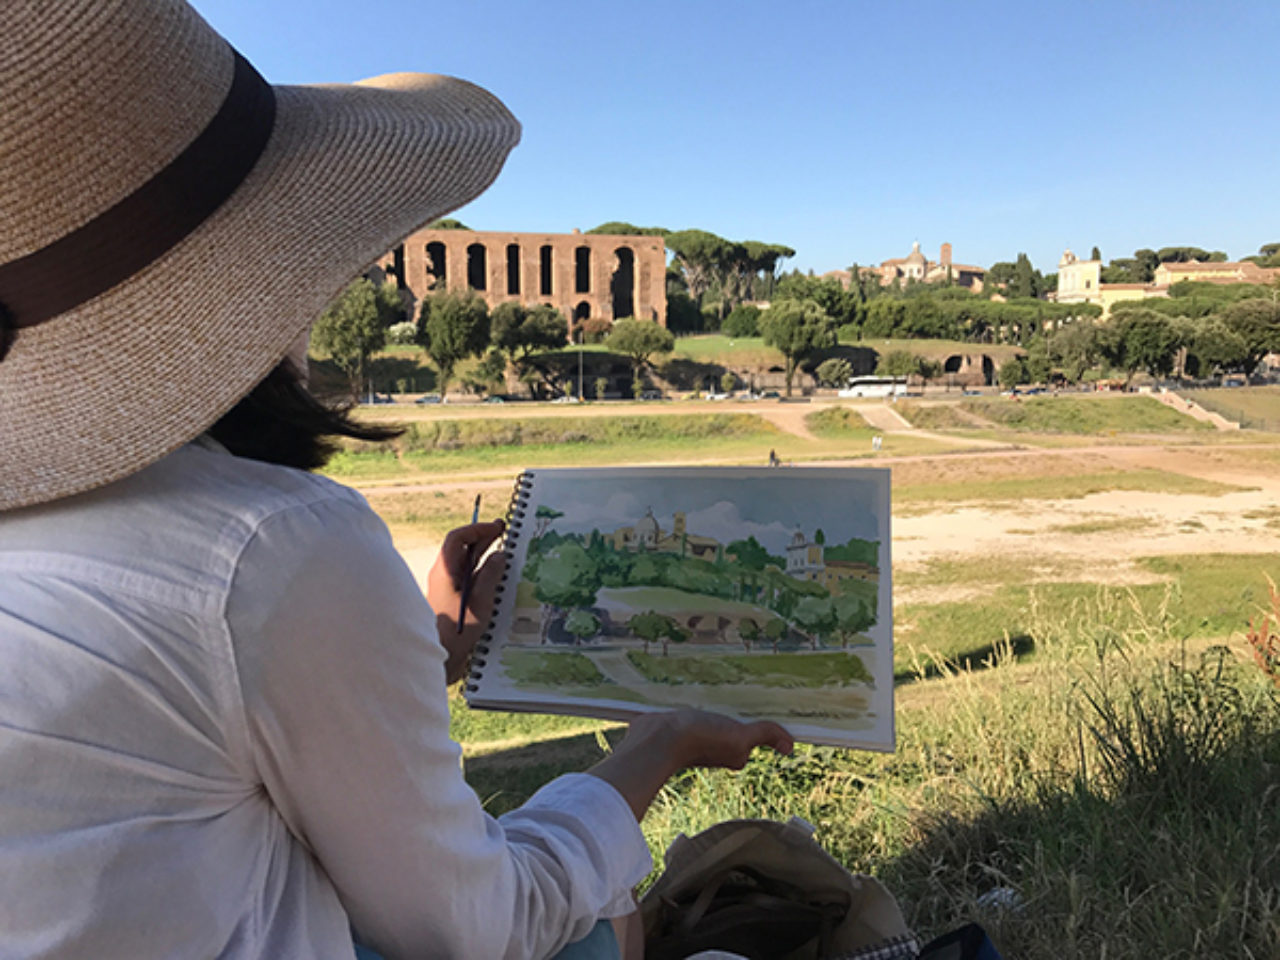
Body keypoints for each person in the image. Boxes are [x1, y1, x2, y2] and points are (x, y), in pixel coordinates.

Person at [0, 4, 792, 959]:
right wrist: (651, 750)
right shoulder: (267, 547)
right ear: (260, 265)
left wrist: (425, 652)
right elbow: (470, 929)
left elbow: (149, 759)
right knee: (606, 919)